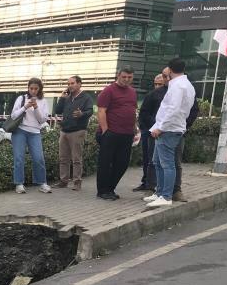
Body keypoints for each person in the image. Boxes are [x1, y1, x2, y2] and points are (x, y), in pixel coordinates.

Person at [145, 58, 195, 209]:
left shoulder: (178, 86)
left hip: (169, 129)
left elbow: (173, 109)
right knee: (158, 162)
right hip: (171, 127)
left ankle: (166, 196)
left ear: (171, 70)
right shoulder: (186, 85)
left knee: (167, 164)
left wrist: (161, 127)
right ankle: (159, 192)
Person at [95, 67, 138, 200]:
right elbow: (101, 111)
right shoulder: (108, 90)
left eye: (129, 77)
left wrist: (135, 127)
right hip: (111, 133)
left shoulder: (132, 92)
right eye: (124, 77)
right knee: (105, 163)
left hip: (127, 134)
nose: (126, 79)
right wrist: (105, 130)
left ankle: (110, 188)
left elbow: (132, 110)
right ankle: (102, 191)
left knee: (122, 163)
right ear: (118, 76)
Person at [10, 78, 51, 194]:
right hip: (20, 131)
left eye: (36, 89)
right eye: (31, 88)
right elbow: (13, 115)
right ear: (28, 88)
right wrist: (25, 107)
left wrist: (36, 107)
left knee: (39, 158)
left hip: (35, 132)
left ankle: (42, 183)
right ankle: (19, 184)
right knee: (19, 158)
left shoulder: (43, 101)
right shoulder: (21, 98)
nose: (33, 91)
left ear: (40, 89)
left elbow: (42, 119)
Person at [54, 75, 93, 190]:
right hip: (64, 131)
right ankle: (63, 181)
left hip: (78, 131)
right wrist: (62, 98)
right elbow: (57, 111)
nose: (70, 86)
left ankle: (77, 182)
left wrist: (82, 114)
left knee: (76, 158)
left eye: (72, 83)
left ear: (79, 84)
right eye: (69, 84)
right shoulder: (67, 97)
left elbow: (90, 111)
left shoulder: (86, 97)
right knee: (63, 158)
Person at [134, 73, 167, 193]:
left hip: (161, 131)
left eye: (160, 84)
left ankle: (153, 184)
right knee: (147, 159)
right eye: (155, 84)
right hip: (148, 131)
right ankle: (146, 182)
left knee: (156, 160)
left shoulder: (168, 95)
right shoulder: (151, 95)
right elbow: (143, 113)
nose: (157, 86)